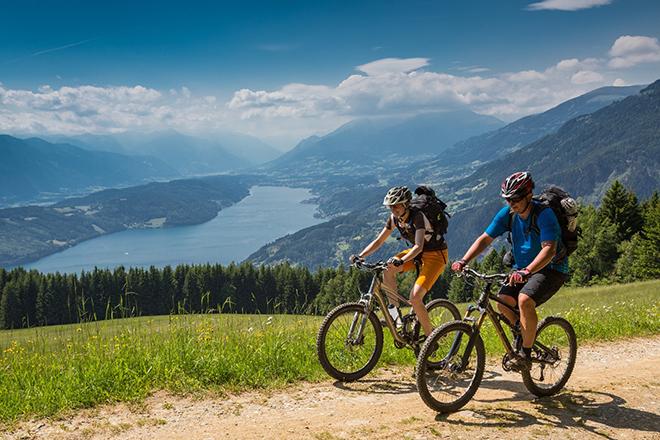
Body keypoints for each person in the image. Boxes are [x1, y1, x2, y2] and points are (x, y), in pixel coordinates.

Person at [451, 172, 569, 370]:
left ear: (528, 195)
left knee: (524, 300)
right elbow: (485, 239)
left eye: (515, 199)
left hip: (551, 268)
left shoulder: (544, 214)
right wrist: (464, 260)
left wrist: (527, 271)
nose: (511, 203)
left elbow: (549, 250)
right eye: (507, 199)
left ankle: (526, 354)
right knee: (503, 303)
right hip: (521, 269)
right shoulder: (508, 215)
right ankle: (522, 334)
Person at [349, 186, 449, 340]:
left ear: (406, 204)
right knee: (387, 269)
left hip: (435, 256)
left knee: (415, 298)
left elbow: (418, 246)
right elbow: (379, 240)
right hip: (416, 255)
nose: (393, 208)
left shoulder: (418, 217)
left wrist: (401, 259)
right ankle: (394, 315)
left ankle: (431, 338)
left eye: (396, 205)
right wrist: (360, 256)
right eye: (390, 206)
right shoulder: (394, 218)